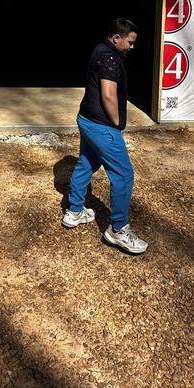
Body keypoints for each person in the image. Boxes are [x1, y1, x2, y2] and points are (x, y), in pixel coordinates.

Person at [62, 18, 148, 254]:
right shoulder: (110, 58)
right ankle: (118, 230)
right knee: (123, 174)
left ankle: (75, 211)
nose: (132, 46)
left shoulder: (100, 49)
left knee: (86, 163)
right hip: (101, 125)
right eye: (130, 42)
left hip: (86, 119)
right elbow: (109, 95)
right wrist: (117, 123)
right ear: (116, 37)